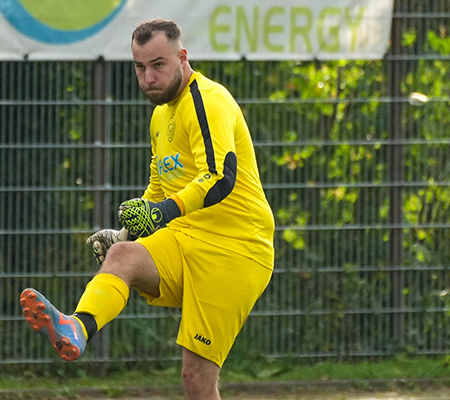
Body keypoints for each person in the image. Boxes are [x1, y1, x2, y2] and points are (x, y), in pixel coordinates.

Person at [19, 18, 275, 400]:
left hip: (236, 249)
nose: (148, 77)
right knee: (122, 255)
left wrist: (161, 214)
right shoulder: (160, 115)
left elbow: (220, 177)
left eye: (158, 65)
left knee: (196, 378)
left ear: (182, 57)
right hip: (186, 239)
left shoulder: (208, 101)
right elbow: (159, 188)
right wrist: (126, 233)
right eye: (140, 67)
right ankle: (76, 328)